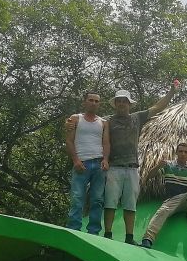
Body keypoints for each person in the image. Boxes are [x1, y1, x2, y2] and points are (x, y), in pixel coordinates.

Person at [103, 80, 181, 244]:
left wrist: (171, 92)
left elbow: (157, 107)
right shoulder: (107, 121)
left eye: (125, 101)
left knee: (130, 204)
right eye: (119, 101)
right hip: (114, 167)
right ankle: (107, 234)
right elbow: (89, 120)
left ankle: (129, 237)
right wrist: (73, 121)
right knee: (110, 202)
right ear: (115, 104)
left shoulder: (137, 118)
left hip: (132, 167)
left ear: (129, 104)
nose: (122, 104)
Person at [141, 142, 187, 249]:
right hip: (171, 201)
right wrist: (158, 166)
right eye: (180, 151)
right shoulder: (168, 165)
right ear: (176, 152)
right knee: (161, 212)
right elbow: (150, 176)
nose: (183, 154)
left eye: (186, 152)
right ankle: (147, 239)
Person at [64, 91, 108, 234]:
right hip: (81, 163)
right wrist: (75, 160)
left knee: (98, 199)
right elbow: (69, 141)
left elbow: (106, 143)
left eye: (96, 101)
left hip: (99, 163)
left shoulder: (103, 122)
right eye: (91, 100)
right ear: (84, 102)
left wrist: (106, 159)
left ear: (99, 104)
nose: (93, 103)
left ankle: (94, 231)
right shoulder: (75, 118)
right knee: (77, 197)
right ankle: (74, 229)